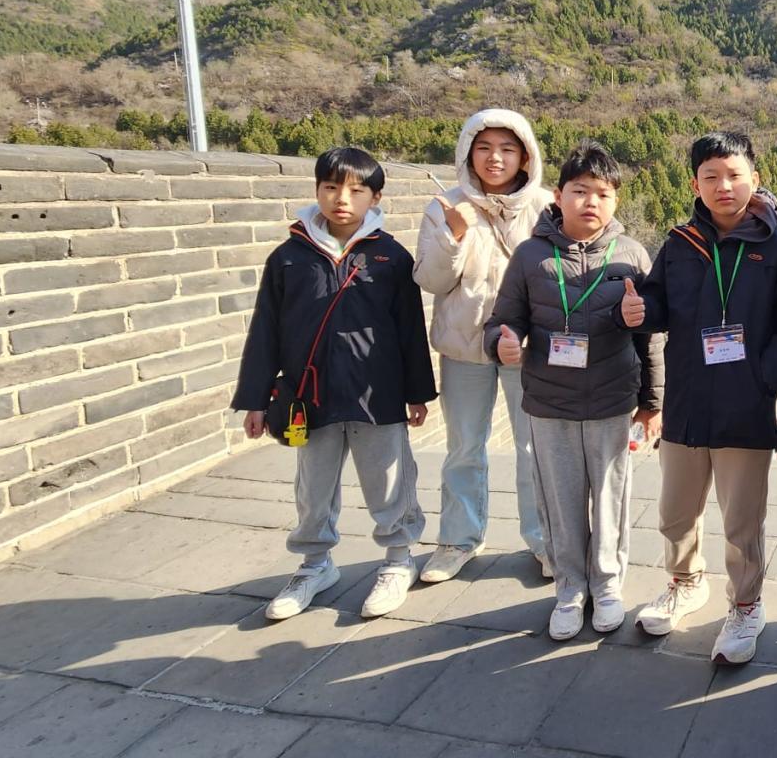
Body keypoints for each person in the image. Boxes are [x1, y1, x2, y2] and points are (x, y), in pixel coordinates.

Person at [619, 131, 777, 664]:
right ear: (695, 185)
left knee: (741, 521)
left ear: (755, 179)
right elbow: (658, 303)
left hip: (744, 406)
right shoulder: (680, 244)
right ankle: (685, 583)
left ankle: (746, 604)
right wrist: (642, 312)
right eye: (711, 177)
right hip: (686, 402)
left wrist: (763, 380)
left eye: (734, 175)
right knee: (674, 512)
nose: (723, 186)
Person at [232, 146, 437, 622]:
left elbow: (410, 330)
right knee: (313, 487)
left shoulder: (390, 257)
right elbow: (265, 331)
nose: (342, 199)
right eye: (331, 187)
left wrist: (417, 394)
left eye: (356, 190)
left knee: (389, 482)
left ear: (375, 198)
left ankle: (398, 560)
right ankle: (315, 565)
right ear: (317, 191)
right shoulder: (288, 258)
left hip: (377, 395)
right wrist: (255, 399)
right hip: (310, 397)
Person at [485, 141, 664, 640]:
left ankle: (607, 585)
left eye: (603, 193)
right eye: (580, 190)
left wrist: (653, 403)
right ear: (558, 195)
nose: (591, 202)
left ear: (616, 201)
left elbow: (651, 336)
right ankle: (569, 589)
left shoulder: (631, 254)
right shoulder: (530, 256)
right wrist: (502, 343)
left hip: (612, 400)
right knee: (559, 503)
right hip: (550, 403)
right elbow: (503, 321)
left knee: (611, 499)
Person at [413, 110, 551, 585]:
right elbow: (431, 280)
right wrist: (452, 234)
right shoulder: (445, 206)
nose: (495, 158)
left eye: (507, 149)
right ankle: (458, 539)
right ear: (468, 153)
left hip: (525, 347)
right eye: (485, 147)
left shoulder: (546, 208)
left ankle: (544, 540)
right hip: (463, 346)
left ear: (525, 156)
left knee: (534, 448)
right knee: (464, 447)